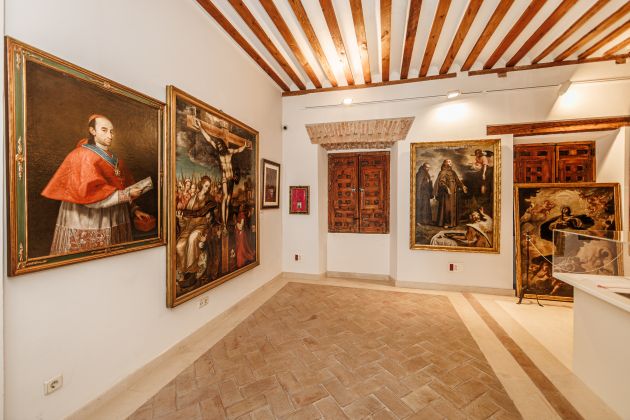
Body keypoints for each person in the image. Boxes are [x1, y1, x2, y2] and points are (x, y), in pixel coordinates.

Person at [41, 114, 151, 255]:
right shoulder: (81, 155)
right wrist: (126, 194)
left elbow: (120, 187)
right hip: (88, 219)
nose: (110, 135)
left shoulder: (116, 160)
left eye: (111, 131)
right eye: (104, 130)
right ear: (92, 131)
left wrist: (134, 209)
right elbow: (90, 196)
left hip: (114, 218)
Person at [193, 118, 249, 230]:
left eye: (220, 145)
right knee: (224, 199)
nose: (218, 147)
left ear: (223, 145)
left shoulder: (229, 152)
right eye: (217, 146)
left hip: (231, 179)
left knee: (228, 201)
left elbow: (238, 150)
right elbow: (209, 140)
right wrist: (201, 127)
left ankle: (225, 222)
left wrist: (244, 145)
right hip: (224, 179)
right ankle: (223, 224)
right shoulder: (219, 154)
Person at [175, 176, 217, 284]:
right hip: (189, 227)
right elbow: (186, 219)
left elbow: (210, 219)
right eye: (206, 186)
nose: (207, 188)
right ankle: (184, 272)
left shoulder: (209, 200)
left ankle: (192, 273)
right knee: (179, 246)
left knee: (192, 239)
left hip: (201, 227)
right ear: (201, 184)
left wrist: (206, 234)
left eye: (208, 187)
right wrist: (180, 219)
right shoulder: (193, 199)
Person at [433, 159, 467, 228]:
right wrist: (447, 188)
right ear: (445, 163)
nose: (450, 163)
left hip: (454, 193)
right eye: (448, 162)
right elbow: (441, 182)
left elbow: (457, 181)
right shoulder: (442, 172)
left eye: (451, 162)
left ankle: (452, 223)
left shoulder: (453, 172)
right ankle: (446, 223)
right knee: (447, 208)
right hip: (446, 193)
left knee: (452, 207)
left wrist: (462, 186)